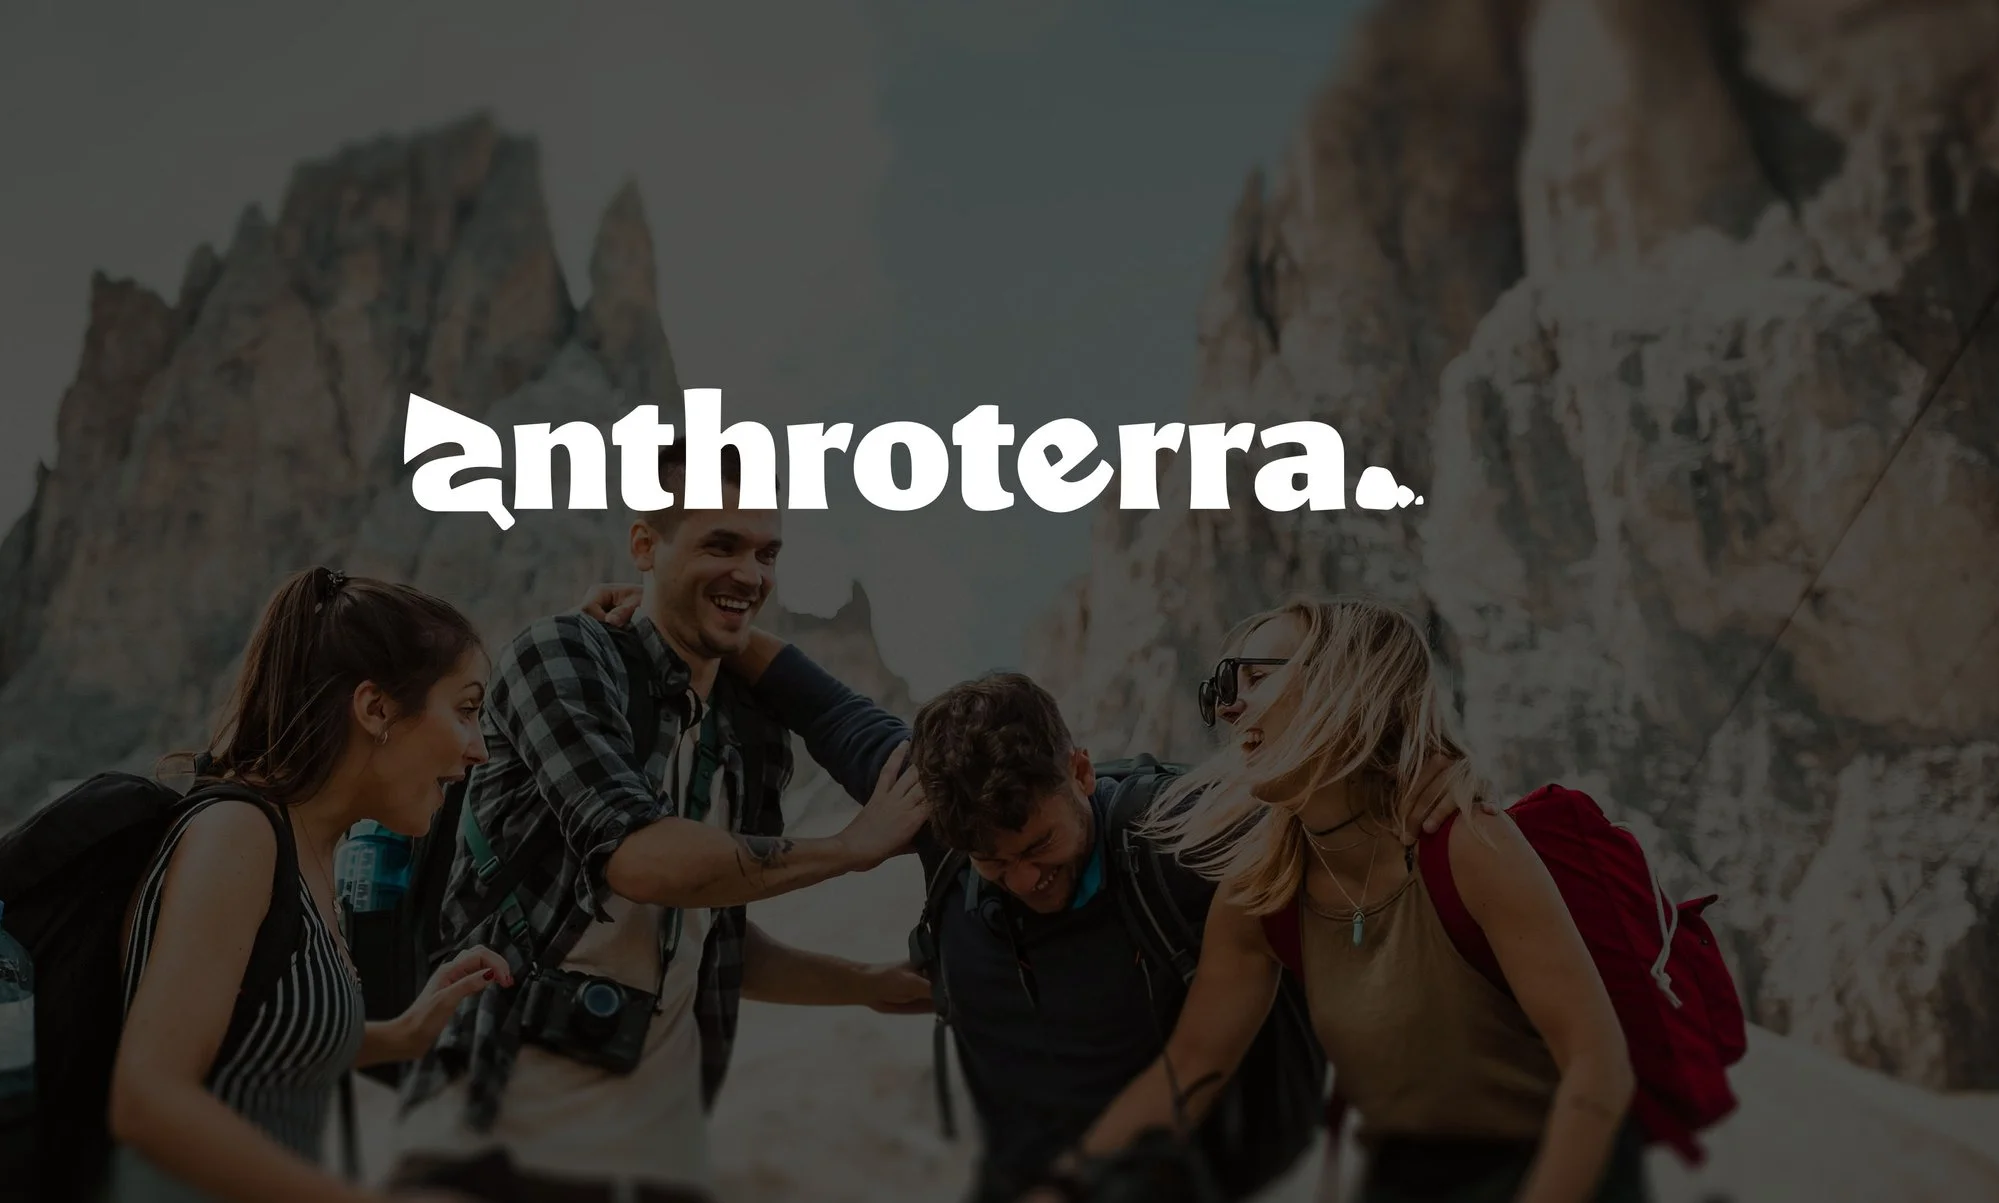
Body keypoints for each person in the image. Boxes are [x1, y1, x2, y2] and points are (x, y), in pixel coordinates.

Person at [567, 602, 1455, 1203]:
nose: (1025, 878)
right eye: (991, 863)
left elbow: (1336, 788)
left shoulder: (1184, 832)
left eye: (1039, 847)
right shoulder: (937, 816)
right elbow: (819, 703)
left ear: (1081, 772)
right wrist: (673, 613)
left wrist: (1434, 785)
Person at [388, 445, 935, 1203]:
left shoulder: (748, 731)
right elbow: (640, 859)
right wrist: (849, 849)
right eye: (720, 545)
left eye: (766, 553)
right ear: (644, 545)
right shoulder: (562, 656)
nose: (751, 574)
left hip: (659, 1160)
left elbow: (712, 936)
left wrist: (867, 984)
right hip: (494, 1142)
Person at [1059, 598, 1643, 1203]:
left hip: (1561, 1167)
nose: (1230, 708)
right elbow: (1190, 1069)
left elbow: (1596, 1064)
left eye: (1256, 677)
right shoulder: (1260, 891)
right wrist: (1063, 1185)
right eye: (1225, 689)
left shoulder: (1466, 845)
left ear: (1345, 682)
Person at [106, 567, 514, 1203]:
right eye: (464, 711)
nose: (478, 749)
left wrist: (405, 1033)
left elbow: (260, 1037)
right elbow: (147, 1100)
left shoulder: (310, 849)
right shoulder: (239, 836)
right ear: (376, 709)